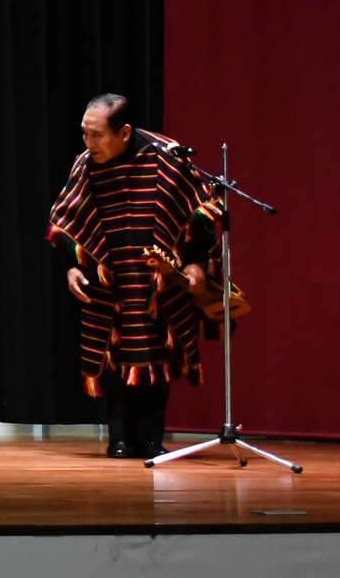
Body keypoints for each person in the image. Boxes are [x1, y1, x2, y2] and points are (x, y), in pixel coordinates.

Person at [47, 93, 220, 459]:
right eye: (84, 134)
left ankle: (153, 438)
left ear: (124, 132)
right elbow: (64, 221)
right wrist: (73, 265)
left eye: (97, 135)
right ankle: (119, 437)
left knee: (157, 353)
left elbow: (204, 210)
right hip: (110, 276)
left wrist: (196, 263)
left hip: (158, 274)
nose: (88, 143)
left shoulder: (167, 156)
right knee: (116, 353)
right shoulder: (86, 164)